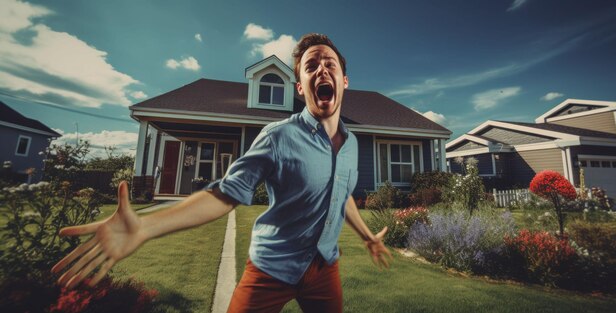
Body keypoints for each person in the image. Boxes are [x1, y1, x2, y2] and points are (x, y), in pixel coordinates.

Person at [52, 33, 392, 313]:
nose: (321, 70)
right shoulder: (278, 136)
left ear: (344, 81)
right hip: (272, 268)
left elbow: (340, 193)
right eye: (311, 66)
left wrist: (366, 236)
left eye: (329, 64)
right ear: (300, 88)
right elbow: (225, 193)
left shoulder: (351, 144)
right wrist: (146, 226)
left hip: (324, 269)